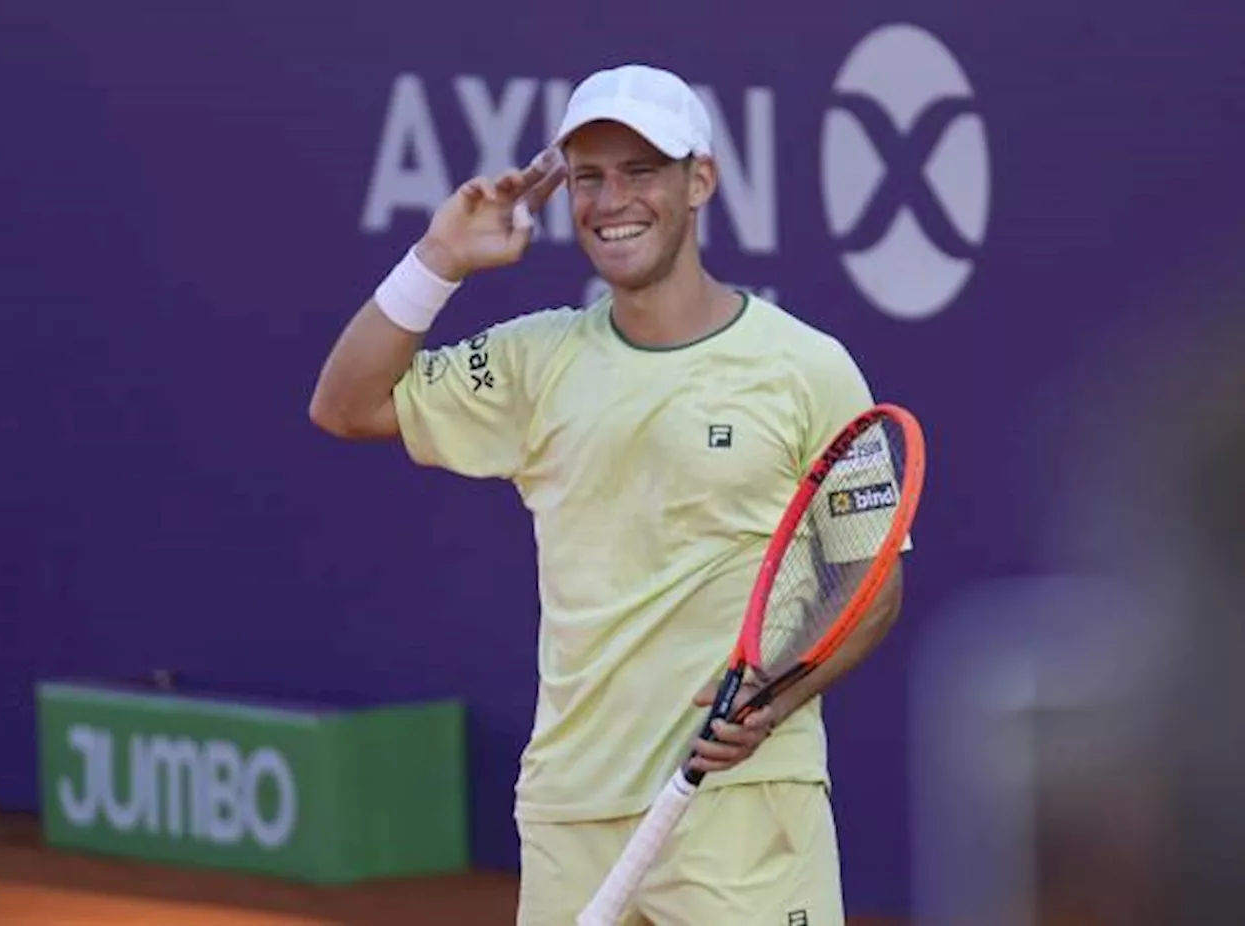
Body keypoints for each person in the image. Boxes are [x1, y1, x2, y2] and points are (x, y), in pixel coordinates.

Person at [310, 63, 904, 926]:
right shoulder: (531, 361)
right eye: (588, 177)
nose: (610, 200)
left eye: (641, 172)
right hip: (571, 809)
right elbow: (345, 404)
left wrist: (777, 693)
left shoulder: (811, 369)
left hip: (741, 808)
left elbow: (870, 586)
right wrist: (439, 259)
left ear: (699, 181)